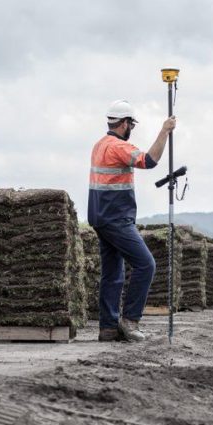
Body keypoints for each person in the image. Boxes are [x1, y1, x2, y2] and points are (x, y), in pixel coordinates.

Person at [88, 99, 176, 342]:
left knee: (113, 273)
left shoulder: (99, 145)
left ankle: (107, 328)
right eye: (131, 126)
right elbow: (149, 161)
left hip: (100, 216)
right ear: (125, 123)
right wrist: (164, 131)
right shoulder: (118, 147)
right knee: (146, 264)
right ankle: (130, 321)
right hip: (116, 218)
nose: (131, 130)